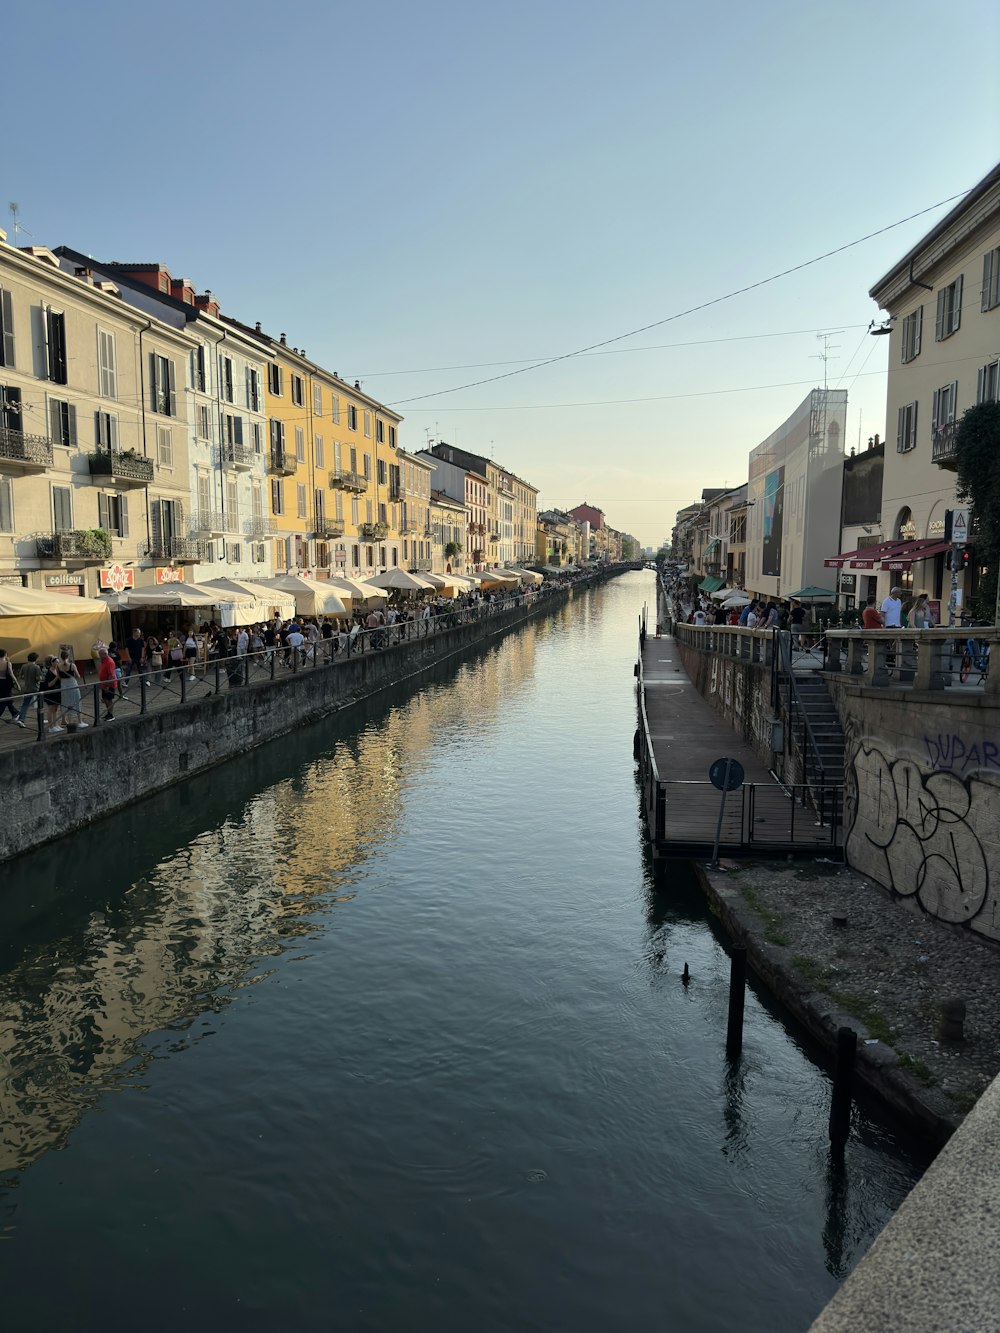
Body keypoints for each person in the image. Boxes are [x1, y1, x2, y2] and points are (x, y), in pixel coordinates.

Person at [56, 651, 86, 729]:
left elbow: (58, 677)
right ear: (68, 657)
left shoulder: (58, 666)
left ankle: (70, 722)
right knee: (76, 701)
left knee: (66, 702)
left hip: (64, 685)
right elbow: (78, 675)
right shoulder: (72, 665)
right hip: (72, 684)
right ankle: (80, 721)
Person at [16, 652, 43, 728]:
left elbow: (21, 676)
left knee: (25, 704)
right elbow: (38, 678)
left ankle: (21, 719)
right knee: (40, 704)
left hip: (27, 687)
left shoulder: (24, 666)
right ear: (36, 659)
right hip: (35, 688)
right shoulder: (36, 667)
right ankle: (40, 718)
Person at [98, 647, 119, 720]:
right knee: (104, 698)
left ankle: (111, 715)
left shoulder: (109, 662)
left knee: (109, 699)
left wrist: (107, 685)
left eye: (100, 654)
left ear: (104, 654)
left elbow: (111, 675)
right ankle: (108, 713)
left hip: (109, 684)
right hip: (104, 684)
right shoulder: (103, 660)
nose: (99, 656)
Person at [41, 656, 61, 731]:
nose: (57, 663)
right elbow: (49, 684)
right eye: (56, 662)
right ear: (52, 663)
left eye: (58, 662)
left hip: (57, 691)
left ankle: (56, 724)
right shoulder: (49, 672)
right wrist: (56, 678)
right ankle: (51, 726)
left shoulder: (57, 670)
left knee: (55, 708)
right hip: (51, 692)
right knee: (50, 708)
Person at [0, 649, 20, 724]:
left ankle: (15, 713)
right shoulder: (8, 663)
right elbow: (12, 675)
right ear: (5, 655)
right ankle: (15, 713)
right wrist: (17, 684)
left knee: (5, 698)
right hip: (6, 683)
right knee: (6, 699)